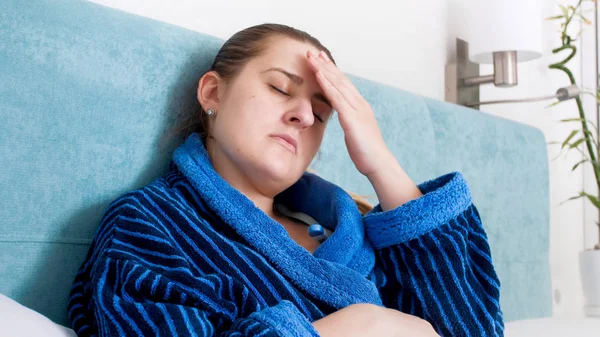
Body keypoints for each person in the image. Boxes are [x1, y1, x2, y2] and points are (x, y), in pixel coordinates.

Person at [67, 23, 504, 337]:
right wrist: (354, 327)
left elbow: (474, 329)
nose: (304, 114)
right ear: (213, 93)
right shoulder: (149, 223)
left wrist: (380, 164)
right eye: (280, 88)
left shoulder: (348, 234)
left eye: (323, 111)